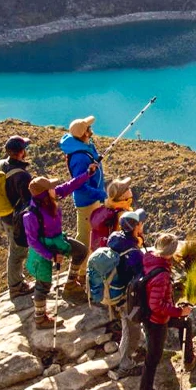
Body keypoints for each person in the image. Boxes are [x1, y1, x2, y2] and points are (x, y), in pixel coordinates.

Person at [22, 165, 96, 329]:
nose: (55, 188)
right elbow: (33, 242)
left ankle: (70, 284)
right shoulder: (31, 216)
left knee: (80, 251)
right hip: (43, 250)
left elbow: (70, 185)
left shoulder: (51, 198)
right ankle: (40, 319)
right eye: (51, 187)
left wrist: (87, 173)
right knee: (43, 284)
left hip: (57, 241)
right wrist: (51, 256)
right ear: (44, 194)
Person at [140, 233, 194, 390]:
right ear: (171, 252)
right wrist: (179, 311)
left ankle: (189, 359)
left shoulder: (150, 258)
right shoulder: (162, 274)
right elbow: (156, 305)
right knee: (153, 357)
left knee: (186, 324)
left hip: (156, 316)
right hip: (157, 320)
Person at [60, 115, 106, 301]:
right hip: (87, 201)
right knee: (85, 238)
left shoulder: (83, 148)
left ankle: (83, 272)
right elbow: (79, 184)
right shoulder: (79, 157)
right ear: (83, 133)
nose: (91, 130)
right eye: (88, 128)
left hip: (91, 199)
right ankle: (78, 276)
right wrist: (100, 195)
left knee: (91, 234)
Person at [106, 209, 147, 377]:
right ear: (136, 227)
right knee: (131, 329)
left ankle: (129, 355)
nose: (143, 224)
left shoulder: (115, 238)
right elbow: (140, 278)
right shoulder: (134, 253)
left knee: (129, 327)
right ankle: (125, 366)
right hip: (126, 296)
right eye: (140, 223)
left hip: (114, 288)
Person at [0, 135, 34, 298]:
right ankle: (16, 286)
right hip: (16, 219)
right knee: (18, 252)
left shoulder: (1, 165)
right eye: (24, 148)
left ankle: (16, 282)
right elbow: (28, 202)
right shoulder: (22, 176)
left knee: (14, 249)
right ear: (20, 153)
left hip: (5, 214)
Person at [88, 177, 134, 253]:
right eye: (127, 188)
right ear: (122, 196)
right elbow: (127, 239)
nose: (130, 189)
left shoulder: (106, 208)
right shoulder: (122, 215)